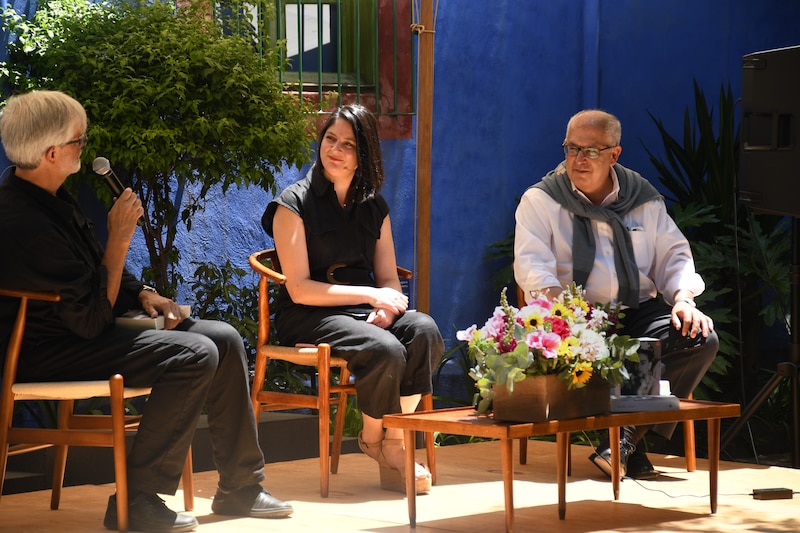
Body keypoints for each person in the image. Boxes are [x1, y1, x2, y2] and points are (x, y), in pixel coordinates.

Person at [0, 90, 293, 532]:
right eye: (80, 141)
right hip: (47, 348)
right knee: (193, 354)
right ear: (52, 152)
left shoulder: (50, 195)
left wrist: (143, 294)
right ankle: (135, 501)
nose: (87, 149)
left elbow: (89, 269)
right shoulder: (20, 218)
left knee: (224, 340)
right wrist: (120, 239)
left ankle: (240, 487)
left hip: (77, 330)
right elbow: (90, 318)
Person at [514, 109, 718, 480]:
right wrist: (572, 316)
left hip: (636, 309)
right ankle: (629, 446)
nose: (578, 159)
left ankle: (624, 438)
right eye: (571, 148)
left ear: (614, 154)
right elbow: (533, 271)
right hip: (572, 315)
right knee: (630, 350)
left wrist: (685, 300)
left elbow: (673, 256)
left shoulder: (642, 198)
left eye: (591, 151)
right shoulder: (542, 201)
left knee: (699, 337)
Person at [261, 104, 443, 495]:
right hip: (309, 313)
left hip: (362, 311)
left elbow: (388, 276)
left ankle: (389, 439)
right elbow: (299, 289)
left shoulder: (374, 206)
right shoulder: (292, 204)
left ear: (365, 154)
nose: (335, 149)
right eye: (330, 139)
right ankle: (382, 444)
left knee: (424, 330)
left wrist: (383, 303)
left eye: (348, 144)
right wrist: (373, 295)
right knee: (384, 348)